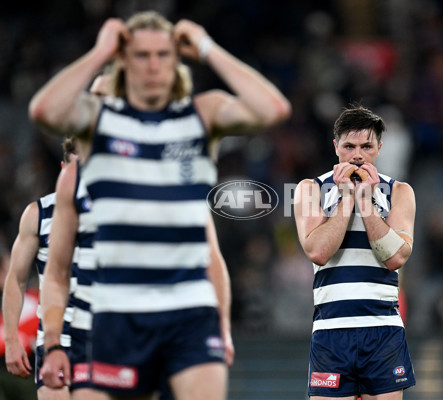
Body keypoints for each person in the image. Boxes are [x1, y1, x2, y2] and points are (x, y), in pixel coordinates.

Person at [29, 10, 290, 400]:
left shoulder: (202, 115)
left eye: (163, 54)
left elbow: (273, 108)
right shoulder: (98, 122)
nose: (153, 65)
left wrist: (207, 47)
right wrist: (100, 51)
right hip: (116, 312)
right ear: (124, 60)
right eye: (141, 55)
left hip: (188, 310)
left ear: (177, 60)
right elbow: (44, 111)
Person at [293, 105, 416, 399]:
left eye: (366, 146)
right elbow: (318, 251)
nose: (357, 155)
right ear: (336, 147)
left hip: (383, 330)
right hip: (332, 330)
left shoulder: (399, 191)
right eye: (349, 146)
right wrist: (348, 198)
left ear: (379, 148)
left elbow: (396, 257)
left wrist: (366, 203)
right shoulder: (309, 189)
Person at [2, 139, 80, 400]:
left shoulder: (118, 214)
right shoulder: (39, 214)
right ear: (62, 167)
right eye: (76, 168)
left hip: (106, 336)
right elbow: (16, 279)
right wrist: (12, 339)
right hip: (56, 338)